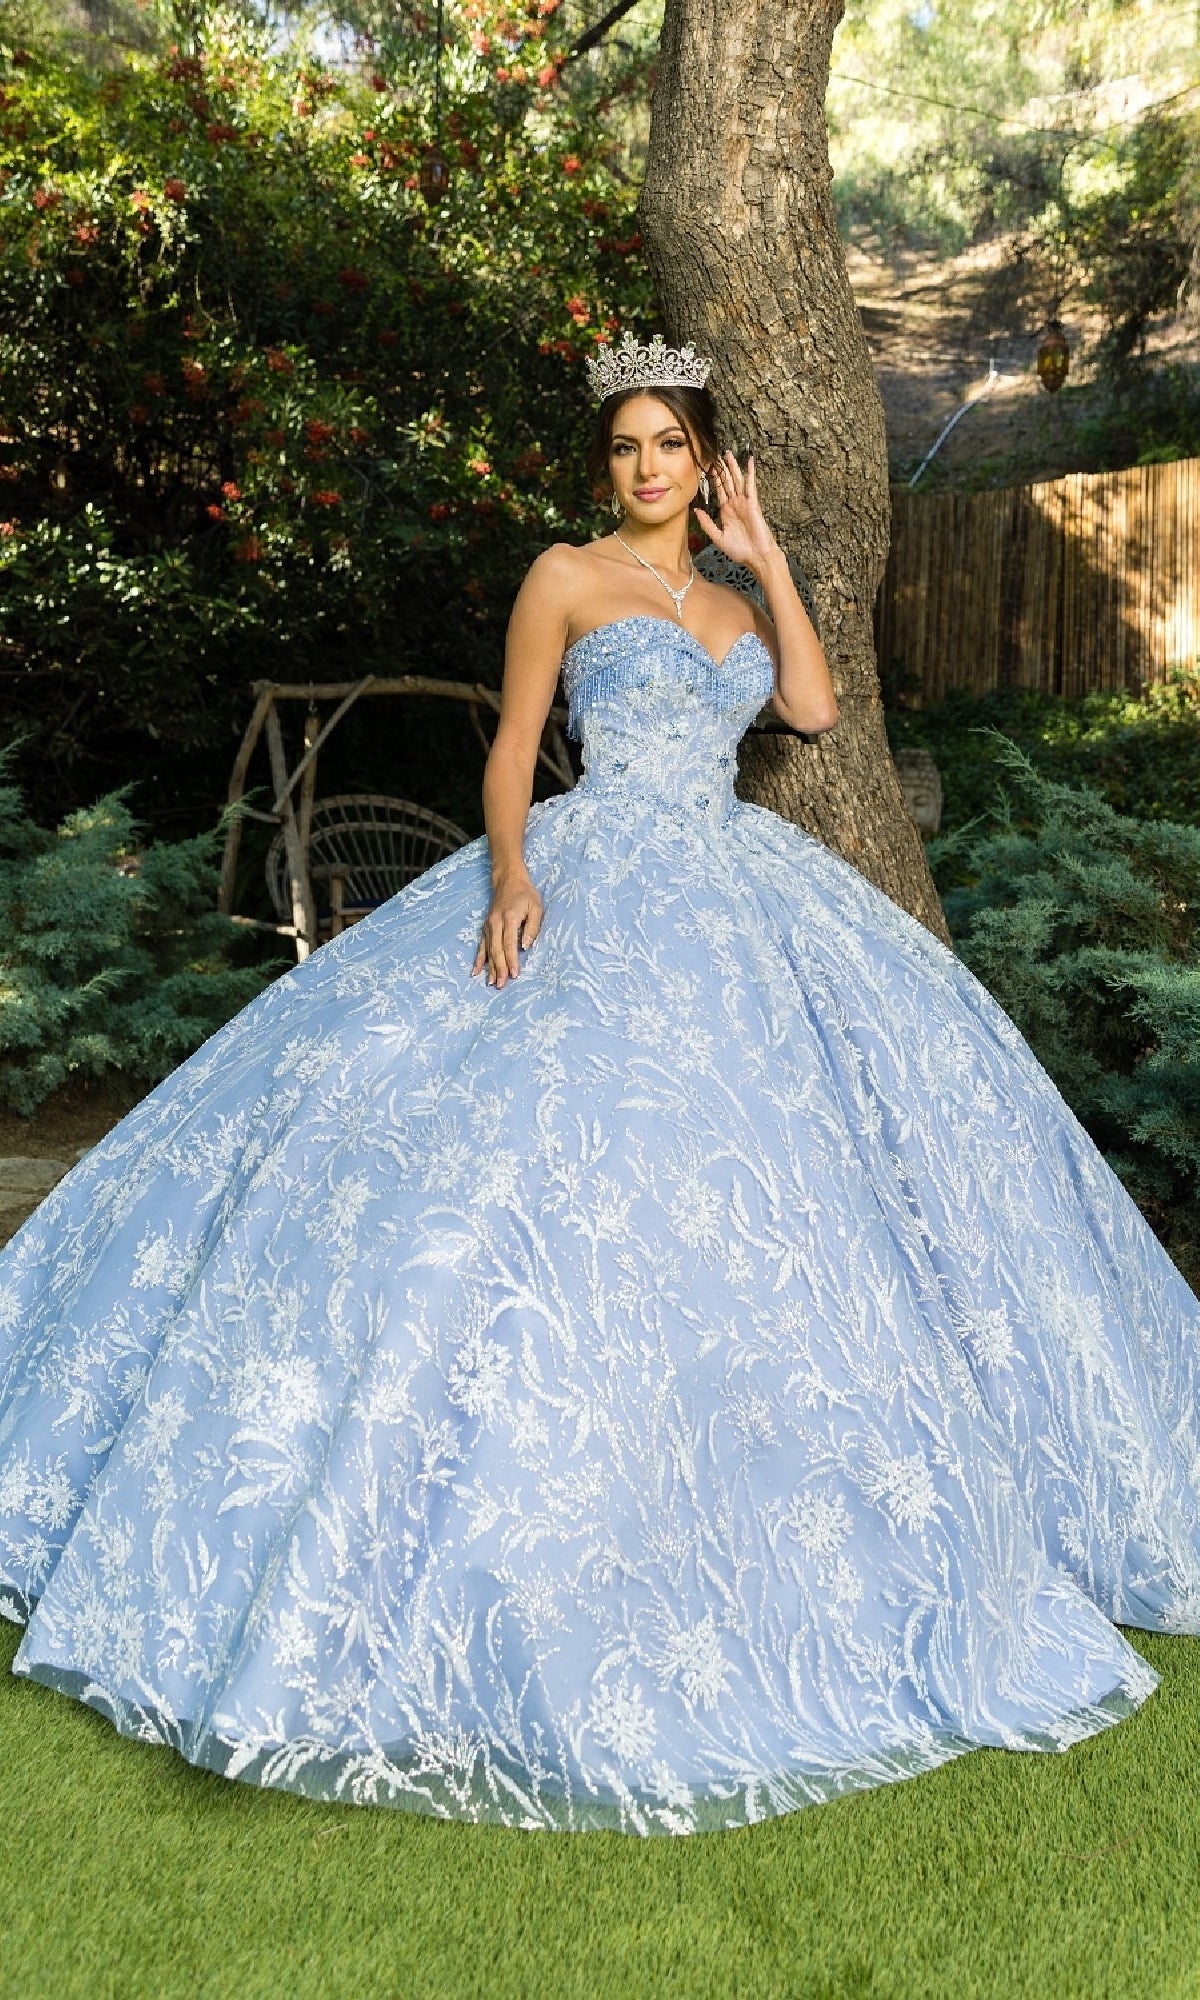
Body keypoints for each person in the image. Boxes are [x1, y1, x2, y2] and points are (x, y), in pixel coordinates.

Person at [1, 334, 1199, 1838]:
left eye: (670, 447)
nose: (646, 468)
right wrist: (508, 878)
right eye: (627, 446)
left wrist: (764, 558)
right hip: (590, 873)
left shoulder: (734, 592)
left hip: (741, 895)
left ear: (706, 461)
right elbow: (511, 753)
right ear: (607, 466)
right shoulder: (563, 577)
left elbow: (815, 715)